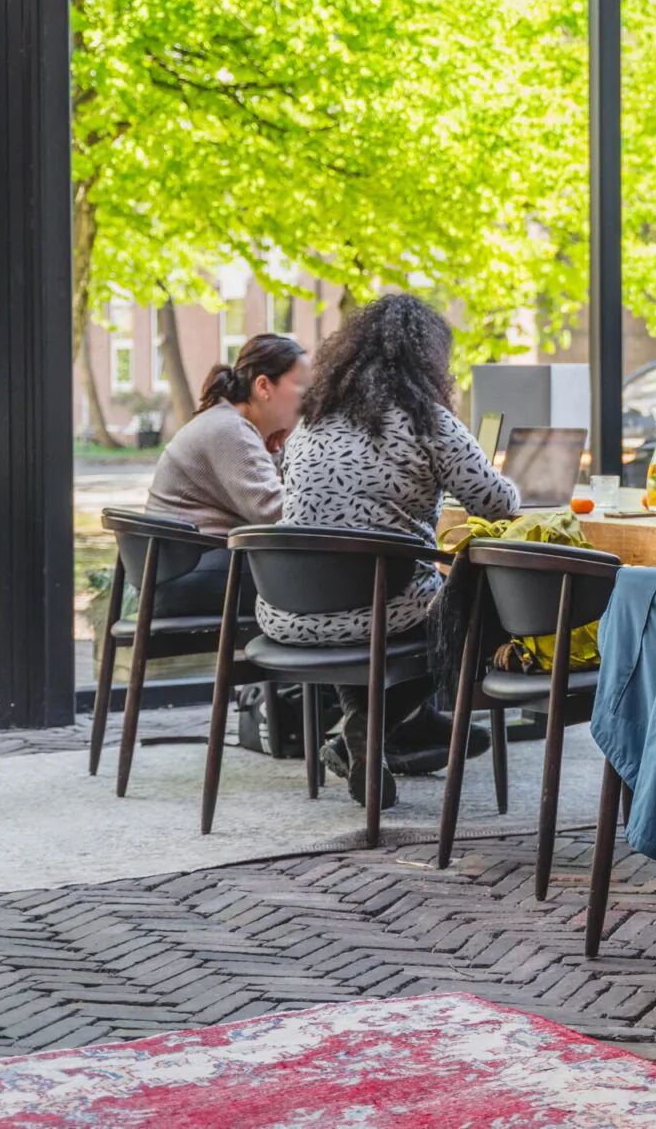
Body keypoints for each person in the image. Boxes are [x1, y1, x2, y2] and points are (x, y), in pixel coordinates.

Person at [269, 293, 519, 805]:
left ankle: (361, 735)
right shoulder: (427, 421)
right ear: (428, 359)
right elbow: (497, 502)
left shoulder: (309, 425)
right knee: (478, 606)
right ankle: (364, 732)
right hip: (375, 609)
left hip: (291, 612)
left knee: (374, 591)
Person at [143, 332, 310, 616]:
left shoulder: (231, 424)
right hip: (185, 577)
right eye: (302, 388)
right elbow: (277, 514)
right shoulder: (231, 429)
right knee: (314, 581)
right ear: (263, 386)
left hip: (182, 571)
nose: (310, 400)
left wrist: (275, 452)